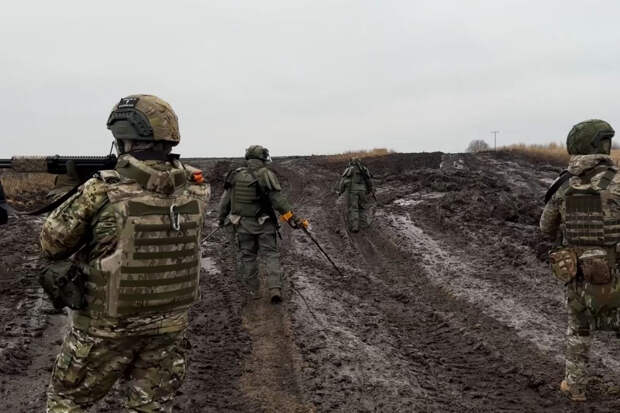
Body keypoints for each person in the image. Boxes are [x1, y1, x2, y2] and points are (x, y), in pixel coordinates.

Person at [40, 94, 210, 412]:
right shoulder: (197, 187)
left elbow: (53, 243)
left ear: (123, 136)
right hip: (169, 328)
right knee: (151, 406)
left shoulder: (101, 189)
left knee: (67, 401)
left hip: (106, 328)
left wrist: (67, 188)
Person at [540, 119, 620, 402]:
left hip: (578, 274)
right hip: (616, 272)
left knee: (578, 328)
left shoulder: (563, 185)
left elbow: (545, 228)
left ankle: (575, 388)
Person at [217, 145, 307, 303]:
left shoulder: (235, 175)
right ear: (263, 159)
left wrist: (221, 218)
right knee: (271, 255)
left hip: (242, 225)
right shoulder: (267, 175)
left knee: (248, 256)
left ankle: (253, 291)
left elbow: (224, 202)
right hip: (265, 224)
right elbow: (279, 202)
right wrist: (293, 219)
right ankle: (275, 290)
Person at [338, 157, 374, 232]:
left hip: (353, 191)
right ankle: (364, 225)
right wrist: (370, 190)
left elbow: (343, 181)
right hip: (363, 191)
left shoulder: (349, 169)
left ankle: (355, 227)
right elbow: (369, 181)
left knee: (354, 208)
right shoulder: (364, 169)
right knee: (363, 207)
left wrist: (341, 191)